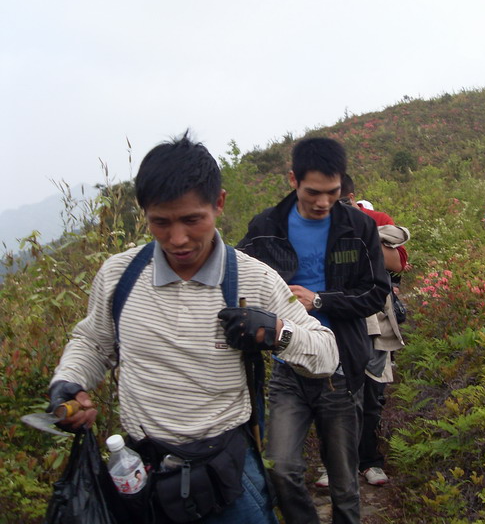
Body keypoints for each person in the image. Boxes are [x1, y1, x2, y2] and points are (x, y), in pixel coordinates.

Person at [47, 132, 339, 524]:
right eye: (160, 222)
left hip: (228, 475)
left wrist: (276, 332)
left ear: (218, 203)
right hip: (143, 475)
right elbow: (94, 343)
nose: (177, 239)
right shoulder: (120, 276)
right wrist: (68, 382)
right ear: (144, 213)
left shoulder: (253, 280)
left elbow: (326, 353)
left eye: (191, 220)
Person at [237, 138, 390, 524]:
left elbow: (376, 292)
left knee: (343, 481)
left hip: (341, 369)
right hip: (288, 368)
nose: (323, 202)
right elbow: (236, 276)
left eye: (332, 192)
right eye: (313, 192)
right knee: (281, 467)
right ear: (293, 180)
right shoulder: (266, 227)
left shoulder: (357, 227)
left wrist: (320, 301)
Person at [332, 174, 408, 487]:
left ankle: (370, 461)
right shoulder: (315, 224)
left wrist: (361, 236)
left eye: (338, 199)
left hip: (374, 321)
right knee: (336, 393)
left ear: (351, 197)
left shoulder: (378, 220)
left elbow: (397, 264)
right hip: (335, 320)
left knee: (372, 394)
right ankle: (335, 463)